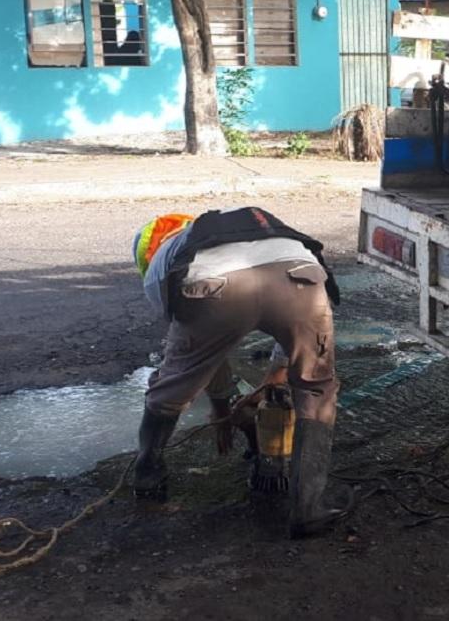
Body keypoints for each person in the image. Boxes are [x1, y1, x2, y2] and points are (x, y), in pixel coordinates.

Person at [131, 207, 343, 538]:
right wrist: (278, 373)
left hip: (214, 286)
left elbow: (200, 356)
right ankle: (309, 509)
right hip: (301, 276)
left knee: (170, 388)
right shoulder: (227, 229)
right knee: (316, 388)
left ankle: (147, 477)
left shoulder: (163, 263)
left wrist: (219, 408)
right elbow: (302, 329)